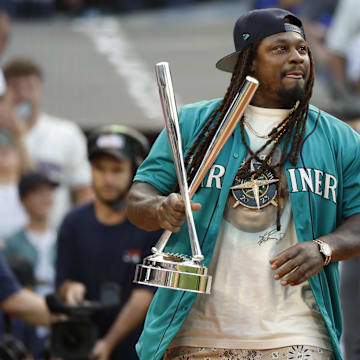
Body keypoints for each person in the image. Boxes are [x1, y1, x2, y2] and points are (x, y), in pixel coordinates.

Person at [126, 7, 360, 360]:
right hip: (195, 334)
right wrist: (160, 208)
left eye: (302, 49)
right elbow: (138, 197)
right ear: (248, 62)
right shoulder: (194, 123)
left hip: (297, 336)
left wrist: (324, 248)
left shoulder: (339, 138)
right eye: (280, 49)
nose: (297, 57)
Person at [56, 124, 162, 360]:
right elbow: (62, 282)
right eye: (99, 169)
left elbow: (146, 293)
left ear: (134, 171)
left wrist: (107, 343)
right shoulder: (72, 222)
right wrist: (70, 290)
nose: (107, 179)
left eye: (116, 169)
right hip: (81, 348)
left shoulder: (151, 224)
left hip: (136, 352)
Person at [3, 58, 93, 229]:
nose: (23, 95)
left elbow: (83, 191)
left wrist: (80, 232)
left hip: (55, 236)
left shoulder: (66, 133)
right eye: (15, 88)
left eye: (30, 87)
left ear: (40, 90)